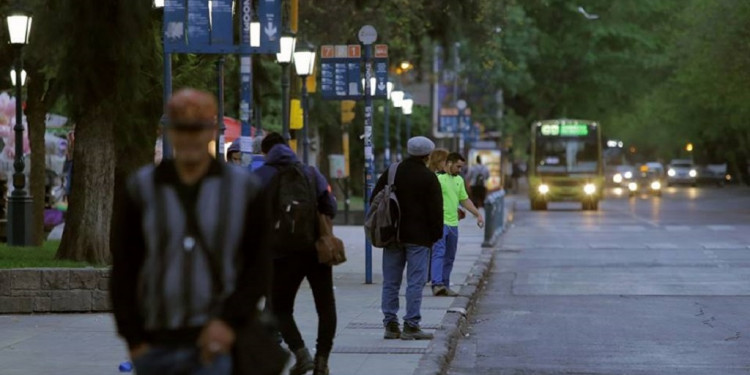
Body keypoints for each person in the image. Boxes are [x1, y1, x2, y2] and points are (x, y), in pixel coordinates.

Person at [110, 88, 274, 375]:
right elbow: (125, 267)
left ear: (211, 131)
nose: (189, 138)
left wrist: (229, 322)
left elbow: (258, 264)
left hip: (215, 343)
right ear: (169, 132)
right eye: (181, 129)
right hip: (155, 342)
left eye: (197, 129)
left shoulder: (243, 190)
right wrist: (133, 338)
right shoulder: (141, 189)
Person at [254, 132, 338, 375]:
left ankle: (301, 354)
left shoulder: (261, 176)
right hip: (316, 251)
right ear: (288, 147)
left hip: (281, 254)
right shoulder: (311, 173)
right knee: (325, 306)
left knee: (280, 307)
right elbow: (329, 206)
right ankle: (322, 360)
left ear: (265, 152)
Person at [371, 136, 443, 341]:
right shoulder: (429, 178)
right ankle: (411, 325)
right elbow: (436, 212)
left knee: (391, 282)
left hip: (392, 234)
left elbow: (374, 198)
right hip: (419, 239)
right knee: (415, 282)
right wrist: (435, 236)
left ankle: (390, 325)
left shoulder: (393, 172)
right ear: (428, 156)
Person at [431, 152, 484, 297]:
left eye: (461, 167)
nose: (460, 170)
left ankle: (445, 285)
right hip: (440, 222)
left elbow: (464, 200)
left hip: (453, 223)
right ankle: (436, 284)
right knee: (438, 253)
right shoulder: (438, 178)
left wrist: (477, 214)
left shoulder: (459, 180)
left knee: (450, 256)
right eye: (458, 166)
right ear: (449, 163)